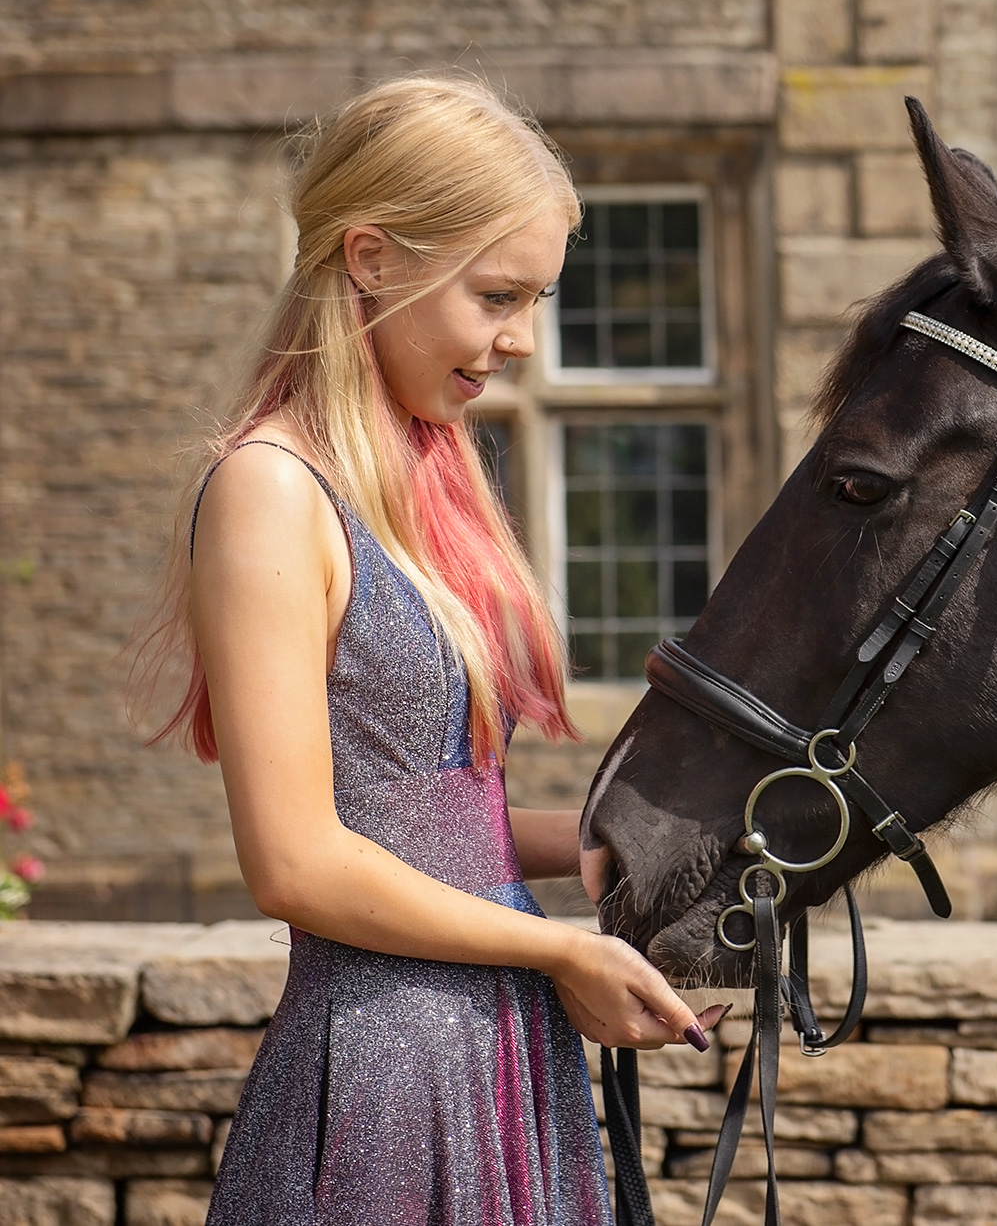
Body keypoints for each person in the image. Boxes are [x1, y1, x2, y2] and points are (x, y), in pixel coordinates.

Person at [131, 74, 720, 1224]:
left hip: (495, 1053)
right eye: (498, 294)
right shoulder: (267, 491)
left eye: (539, 298)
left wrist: (637, 850)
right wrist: (559, 955)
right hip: (383, 1085)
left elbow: (428, 827)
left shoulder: (415, 484)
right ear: (369, 257)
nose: (521, 340)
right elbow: (296, 863)